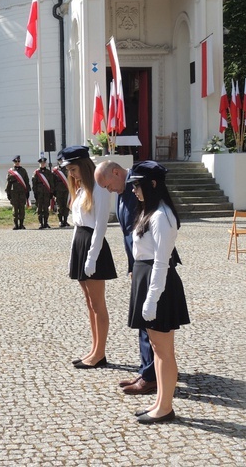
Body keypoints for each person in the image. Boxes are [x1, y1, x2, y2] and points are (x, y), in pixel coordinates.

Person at [126, 161, 190, 424]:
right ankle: (160, 402)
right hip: (149, 281)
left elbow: (162, 262)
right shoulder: (151, 212)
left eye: (137, 185)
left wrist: (151, 299)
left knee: (163, 350)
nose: (133, 191)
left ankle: (165, 407)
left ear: (152, 185)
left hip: (158, 285)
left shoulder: (162, 216)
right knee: (157, 348)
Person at [94, 159, 157, 395]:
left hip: (149, 262)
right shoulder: (123, 189)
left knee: (149, 322)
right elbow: (127, 235)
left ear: (117, 173)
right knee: (143, 321)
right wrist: (131, 266)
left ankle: (152, 375)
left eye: (108, 185)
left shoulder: (137, 188)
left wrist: (140, 264)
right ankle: (148, 369)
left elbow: (143, 230)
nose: (108, 191)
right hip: (139, 264)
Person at [61, 145, 117, 369]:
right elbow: (77, 224)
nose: (71, 174)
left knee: (98, 303)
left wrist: (92, 258)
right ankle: (94, 349)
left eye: (74, 169)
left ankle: (100, 353)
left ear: (84, 166)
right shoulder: (82, 188)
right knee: (89, 303)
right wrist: (72, 253)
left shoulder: (99, 188)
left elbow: (101, 225)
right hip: (81, 243)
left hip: (94, 245)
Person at [5, 155, 30, 230]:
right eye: (16, 161)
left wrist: (27, 191)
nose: (17, 163)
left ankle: (21, 224)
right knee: (15, 209)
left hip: (22, 192)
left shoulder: (23, 171)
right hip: (14, 193)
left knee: (22, 209)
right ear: (13, 162)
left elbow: (26, 181)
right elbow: (8, 183)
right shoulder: (10, 171)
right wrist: (8, 193)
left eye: (18, 161)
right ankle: (16, 224)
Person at [32, 156, 54, 229]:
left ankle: (46, 222)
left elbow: (51, 183)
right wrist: (35, 193)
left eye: (44, 163)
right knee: (40, 209)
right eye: (41, 163)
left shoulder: (48, 172)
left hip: (46, 193)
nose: (43, 164)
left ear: (46, 163)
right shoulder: (36, 172)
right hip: (39, 193)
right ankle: (41, 223)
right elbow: (34, 184)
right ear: (39, 164)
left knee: (46, 208)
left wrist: (51, 192)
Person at [52, 154, 70, 227]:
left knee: (66, 206)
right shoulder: (55, 171)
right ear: (58, 161)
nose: (61, 161)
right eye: (60, 160)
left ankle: (65, 220)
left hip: (66, 190)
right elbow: (52, 182)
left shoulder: (68, 169)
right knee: (60, 206)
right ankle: (60, 221)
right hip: (58, 190)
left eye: (62, 160)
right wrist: (54, 192)